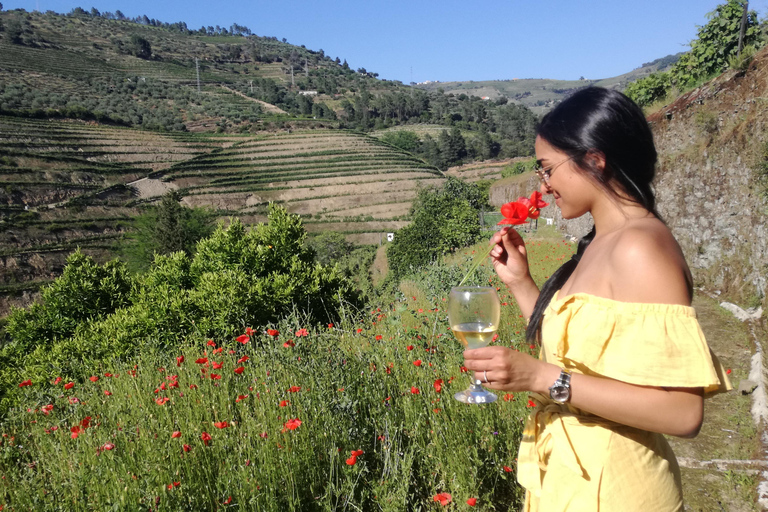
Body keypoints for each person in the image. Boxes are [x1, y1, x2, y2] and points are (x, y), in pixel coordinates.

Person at [462, 87, 731, 511]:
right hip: (577, 482)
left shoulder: (638, 247)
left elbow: (682, 412)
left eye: (547, 169)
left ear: (594, 159)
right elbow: (575, 350)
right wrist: (519, 282)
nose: (544, 185)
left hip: (619, 489)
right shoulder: (601, 242)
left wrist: (540, 379)